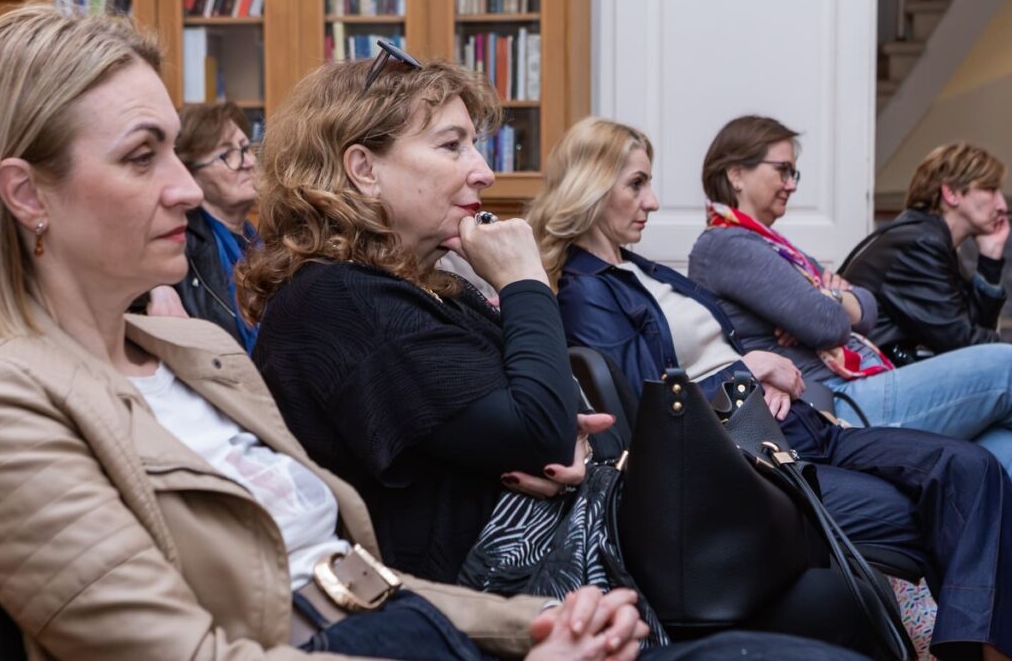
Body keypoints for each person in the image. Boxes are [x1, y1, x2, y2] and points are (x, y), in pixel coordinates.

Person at [0, 4, 657, 661]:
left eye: (173, 151)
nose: (188, 190)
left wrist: (540, 624)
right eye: (142, 156)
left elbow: (350, 573)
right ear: (27, 194)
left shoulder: (197, 351)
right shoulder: (9, 402)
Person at [238, 50, 898, 656]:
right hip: (491, 605)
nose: (483, 170)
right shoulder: (339, 299)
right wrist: (524, 280)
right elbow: (541, 427)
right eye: (451, 145)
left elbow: (548, 411)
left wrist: (558, 438)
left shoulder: (423, 286)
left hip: (563, 552)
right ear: (363, 169)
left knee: (842, 595)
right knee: (830, 611)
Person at [526, 115, 1012, 661]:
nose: (654, 201)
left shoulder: (644, 270)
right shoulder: (586, 291)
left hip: (801, 424)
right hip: (754, 458)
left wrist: (765, 366)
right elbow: (652, 407)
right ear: (591, 186)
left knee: (973, 467)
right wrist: (749, 368)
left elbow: (834, 316)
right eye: (636, 184)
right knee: (928, 506)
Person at [686, 115, 1012, 473]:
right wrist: (830, 301)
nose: (791, 185)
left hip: (856, 386)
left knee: (1002, 447)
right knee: (1007, 366)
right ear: (736, 174)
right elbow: (828, 324)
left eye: (793, 173)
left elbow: (865, 308)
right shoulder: (726, 244)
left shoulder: (775, 247)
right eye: (783, 170)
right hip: (836, 401)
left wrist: (828, 299)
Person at [838, 142, 1008, 363]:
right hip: (870, 374)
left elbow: (973, 332)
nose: (1002, 205)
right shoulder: (921, 243)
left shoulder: (927, 236)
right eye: (990, 189)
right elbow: (962, 343)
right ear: (951, 193)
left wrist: (990, 256)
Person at [159, 101, 261, 351]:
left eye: (245, 148)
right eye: (227, 155)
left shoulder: (262, 241)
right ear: (190, 175)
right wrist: (157, 289)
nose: (248, 161)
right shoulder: (179, 250)